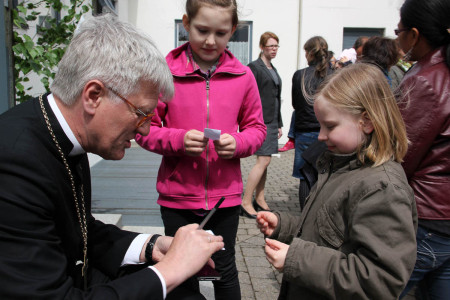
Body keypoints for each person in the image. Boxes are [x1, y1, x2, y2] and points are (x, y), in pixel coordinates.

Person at [0, 14, 225, 300]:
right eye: (142, 113)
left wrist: (151, 245)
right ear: (94, 95)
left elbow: (79, 229)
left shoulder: (68, 134)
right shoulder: (13, 163)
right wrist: (171, 269)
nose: (145, 128)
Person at [135, 1, 266, 299]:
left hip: (224, 199)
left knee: (224, 270)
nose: (210, 40)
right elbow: (144, 128)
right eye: (202, 30)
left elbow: (257, 129)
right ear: (185, 23)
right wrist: (178, 141)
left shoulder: (244, 76)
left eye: (221, 33)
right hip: (177, 198)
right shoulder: (164, 73)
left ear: (233, 30)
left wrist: (239, 143)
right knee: (181, 274)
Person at [256, 63, 418, 299]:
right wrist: (285, 227)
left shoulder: (382, 189)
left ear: (367, 121)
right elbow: (329, 230)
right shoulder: (339, 166)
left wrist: (297, 259)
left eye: (330, 126)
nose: (321, 136)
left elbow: (379, 280)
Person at [395, 0, 450, 298]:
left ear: (414, 35)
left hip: (425, 216)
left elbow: (400, 157)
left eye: (398, 31)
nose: (397, 39)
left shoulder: (426, 81)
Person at [241, 31, 283, 218]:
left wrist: (280, 123)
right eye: (270, 46)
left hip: (273, 120)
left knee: (266, 161)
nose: (274, 49)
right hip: (261, 120)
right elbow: (248, 95)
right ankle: (245, 201)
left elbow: (275, 97)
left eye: (276, 46)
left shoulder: (272, 68)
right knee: (263, 160)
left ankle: (260, 198)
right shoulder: (254, 67)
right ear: (261, 47)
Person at [291, 36, 332, 206]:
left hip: (305, 131)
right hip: (329, 132)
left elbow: (295, 103)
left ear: (309, 53)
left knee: (305, 176)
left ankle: (304, 220)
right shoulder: (334, 75)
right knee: (328, 176)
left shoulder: (300, 75)